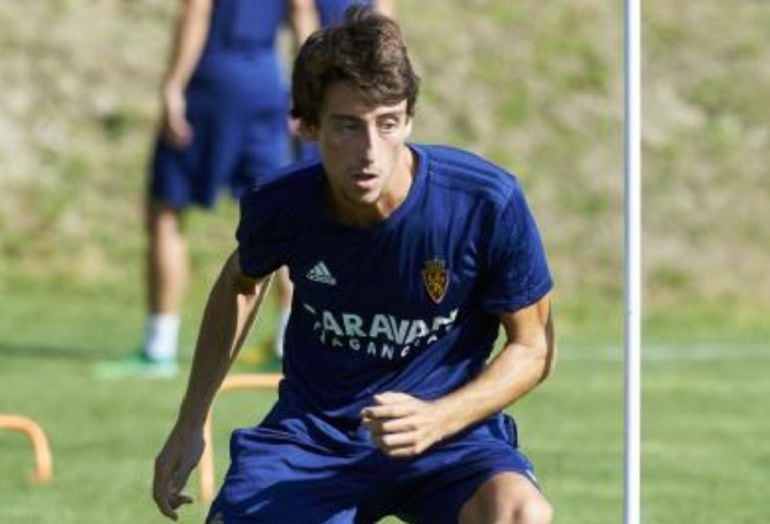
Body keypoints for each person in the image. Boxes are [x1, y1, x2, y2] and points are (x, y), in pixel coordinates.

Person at [153, 6, 556, 524]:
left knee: (521, 513)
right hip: (314, 438)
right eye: (347, 127)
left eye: (387, 124)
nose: (370, 151)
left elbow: (534, 346)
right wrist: (192, 419)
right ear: (308, 126)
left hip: (452, 440)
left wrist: (437, 418)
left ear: (409, 118)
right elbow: (240, 282)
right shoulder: (283, 205)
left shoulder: (484, 202)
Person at [94, 0, 317, 378]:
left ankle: (159, 346)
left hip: (212, 81)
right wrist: (309, 87)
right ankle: (286, 343)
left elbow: (196, 11)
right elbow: (301, 12)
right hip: (266, 81)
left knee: (166, 212)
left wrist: (173, 85)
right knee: (283, 215)